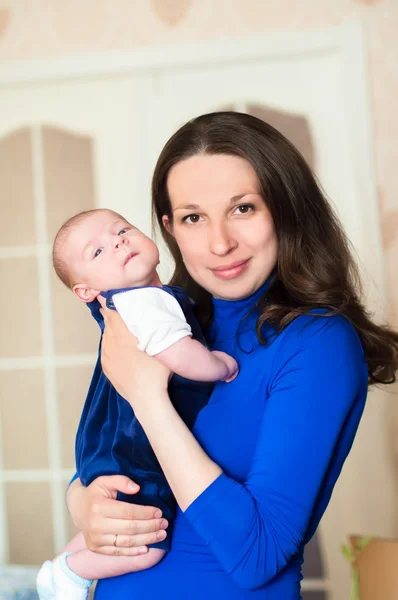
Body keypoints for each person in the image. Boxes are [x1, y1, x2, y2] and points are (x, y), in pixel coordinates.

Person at [66, 112, 398, 599]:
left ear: (285, 210)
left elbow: (256, 555)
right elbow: (115, 441)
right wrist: (81, 499)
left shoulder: (318, 342)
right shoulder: (170, 326)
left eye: (243, 208)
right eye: (193, 217)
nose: (220, 243)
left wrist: (148, 396)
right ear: (169, 228)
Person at [36, 208, 238, 599]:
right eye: (97, 252)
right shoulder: (145, 302)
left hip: (111, 443)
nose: (117, 242)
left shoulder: (120, 306)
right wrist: (220, 365)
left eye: (122, 230)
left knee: (116, 522)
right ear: (86, 291)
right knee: (146, 543)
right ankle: (72, 572)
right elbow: (181, 355)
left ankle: (59, 564)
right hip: (135, 448)